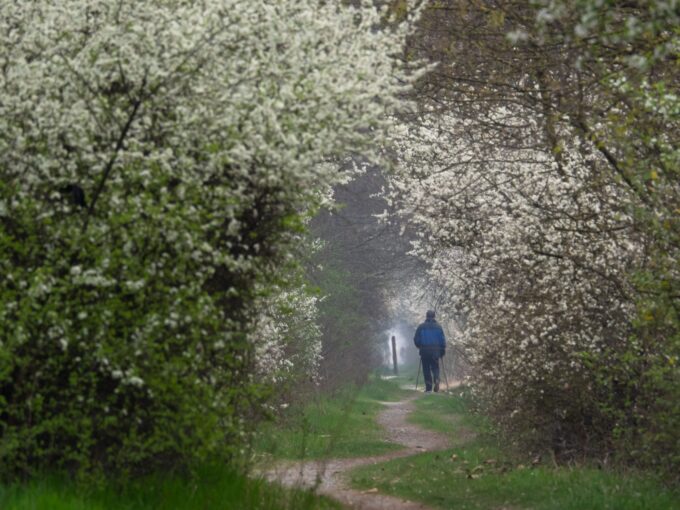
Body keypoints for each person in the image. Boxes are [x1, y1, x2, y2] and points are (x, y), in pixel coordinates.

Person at [413, 310, 446, 393]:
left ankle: (428, 388)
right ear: (434, 316)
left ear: (426, 316)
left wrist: (419, 346)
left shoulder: (421, 327)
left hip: (424, 351)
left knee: (426, 369)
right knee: (435, 367)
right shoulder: (439, 327)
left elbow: (416, 339)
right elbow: (442, 340)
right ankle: (437, 380)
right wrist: (442, 351)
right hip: (435, 351)